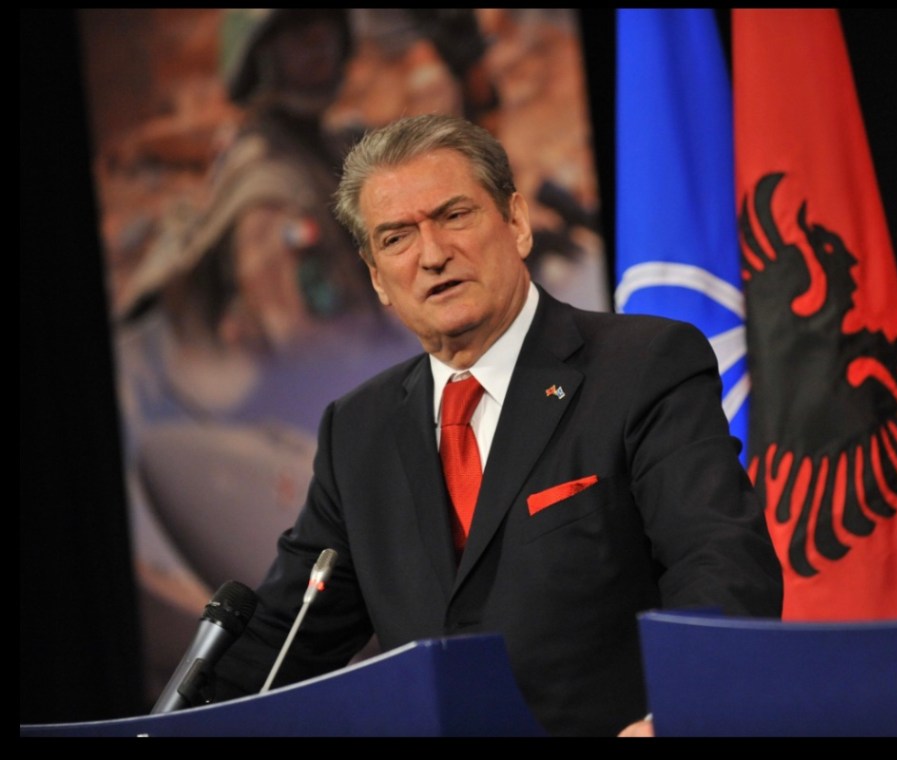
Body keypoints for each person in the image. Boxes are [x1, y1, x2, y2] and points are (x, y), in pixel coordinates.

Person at [212, 113, 783, 736]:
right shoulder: (358, 430)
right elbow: (283, 639)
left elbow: (721, 563)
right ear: (377, 278)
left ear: (516, 223)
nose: (433, 255)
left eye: (454, 216)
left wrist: (677, 715)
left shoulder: (641, 367)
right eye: (397, 238)